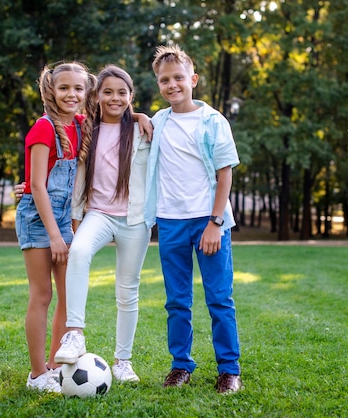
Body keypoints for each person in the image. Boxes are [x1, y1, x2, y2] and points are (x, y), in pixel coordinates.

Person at [143, 44, 243, 394]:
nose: (172, 85)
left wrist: (216, 222)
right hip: (169, 222)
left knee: (219, 298)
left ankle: (229, 370)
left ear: (193, 79)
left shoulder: (213, 121)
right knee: (176, 301)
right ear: (158, 84)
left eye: (178, 78)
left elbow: (225, 172)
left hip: (208, 221)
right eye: (164, 80)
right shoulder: (158, 121)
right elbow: (126, 128)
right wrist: (138, 116)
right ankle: (180, 366)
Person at [53, 65, 151, 384]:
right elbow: (60, 157)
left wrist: (140, 116)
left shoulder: (142, 129)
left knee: (127, 290)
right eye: (107, 92)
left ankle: (123, 361)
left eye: (122, 92)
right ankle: (75, 333)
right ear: (96, 96)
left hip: (135, 220)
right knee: (78, 252)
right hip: (98, 213)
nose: (114, 98)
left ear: (131, 96)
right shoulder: (86, 129)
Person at [15, 61, 97, 393]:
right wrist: (55, 236)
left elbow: (118, 118)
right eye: (64, 87)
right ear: (51, 90)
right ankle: (37, 374)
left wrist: (139, 116)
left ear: (86, 91)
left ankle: (54, 367)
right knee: (42, 294)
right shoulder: (44, 128)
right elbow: (36, 186)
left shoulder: (82, 126)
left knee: (68, 296)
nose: (71, 94)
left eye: (78, 88)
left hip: (66, 220)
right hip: (38, 220)